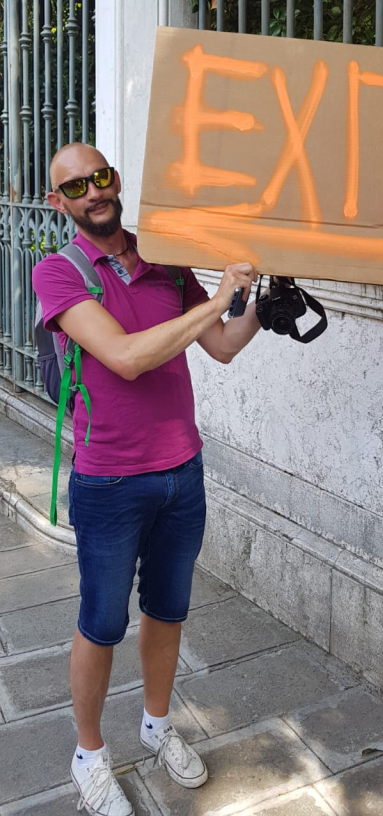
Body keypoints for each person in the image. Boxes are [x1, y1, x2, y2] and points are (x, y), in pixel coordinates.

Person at [32, 141, 261, 816]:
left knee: (168, 610)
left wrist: (254, 304)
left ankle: (158, 726)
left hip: (181, 472)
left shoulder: (164, 257)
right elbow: (127, 358)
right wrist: (215, 298)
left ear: (116, 178)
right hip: (109, 482)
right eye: (76, 187)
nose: (93, 192)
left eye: (100, 177)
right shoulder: (59, 273)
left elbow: (218, 344)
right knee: (101, 623)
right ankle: (89, 756)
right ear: (59, 203)